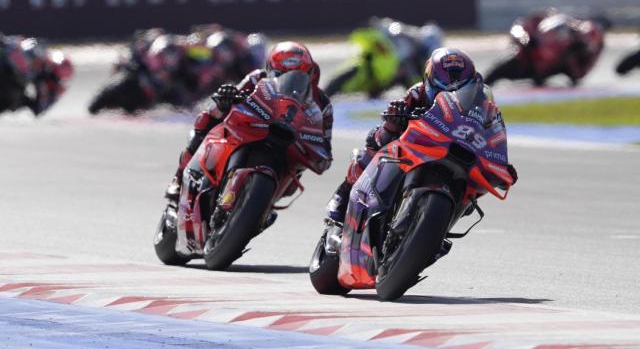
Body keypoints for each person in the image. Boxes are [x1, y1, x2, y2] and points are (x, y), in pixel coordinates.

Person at [322, 47, 518, 252]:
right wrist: (393, 120)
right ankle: (339, 209)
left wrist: (501, 164)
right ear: (430, 80)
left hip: (458, 147)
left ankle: (436, 232)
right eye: (444, 87)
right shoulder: (417, 92)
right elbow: (388, 123)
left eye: (458, 86)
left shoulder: (484, 103)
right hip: (418, 145)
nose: (450, 91)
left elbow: (494, 132)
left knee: (474, 191)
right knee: (372, 146)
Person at [165, 41, 333, 200]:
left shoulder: (322, 103)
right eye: (281, 75)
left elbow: (325, 151)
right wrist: (225, 99)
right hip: (256, 126)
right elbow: (226, 98)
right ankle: (179, 178)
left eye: (300, 77)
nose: (292, 83)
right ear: (270, 70)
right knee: (206, 118)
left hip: (290, 147)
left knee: (291, 188)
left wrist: (316, 152)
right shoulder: (256, 78)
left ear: (311, 74)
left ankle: (262, 208)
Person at [0, 35, 73, 116]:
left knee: (12, 98)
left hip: (8, 87)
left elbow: (38, 109)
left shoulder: (47, 84)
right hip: (6, 66)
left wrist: (54, 96)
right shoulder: (36, 51)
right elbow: (17, 43)